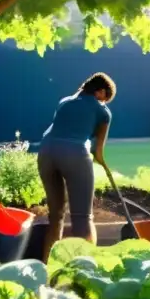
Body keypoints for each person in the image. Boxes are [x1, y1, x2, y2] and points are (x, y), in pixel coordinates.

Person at [38, 72, 115, 259]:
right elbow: (98, 151)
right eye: (106, 99)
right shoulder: (102, 111)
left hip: (46, 153)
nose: (105, 103)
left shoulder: (64, 101)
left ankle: (48, 266)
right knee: (82, 218)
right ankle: (87, 268)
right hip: (74, 155)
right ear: (101, 92)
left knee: (55, 216)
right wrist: (102, 162)